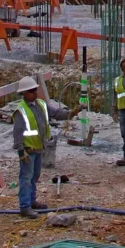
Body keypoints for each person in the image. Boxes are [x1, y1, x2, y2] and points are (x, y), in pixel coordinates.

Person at [12, 76, 75, 219]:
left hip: (39, 148)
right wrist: (21, 151)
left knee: (34, 176)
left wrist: (71, 113)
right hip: (28, 150)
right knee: (26, 178)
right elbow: (17, 133)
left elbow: (55, 113)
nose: (35, 93)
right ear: (24, 93)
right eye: (31, 91)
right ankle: (25, 206)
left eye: (35, 90)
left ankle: (32, 201)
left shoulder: (40, 104)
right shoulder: (21, 111)